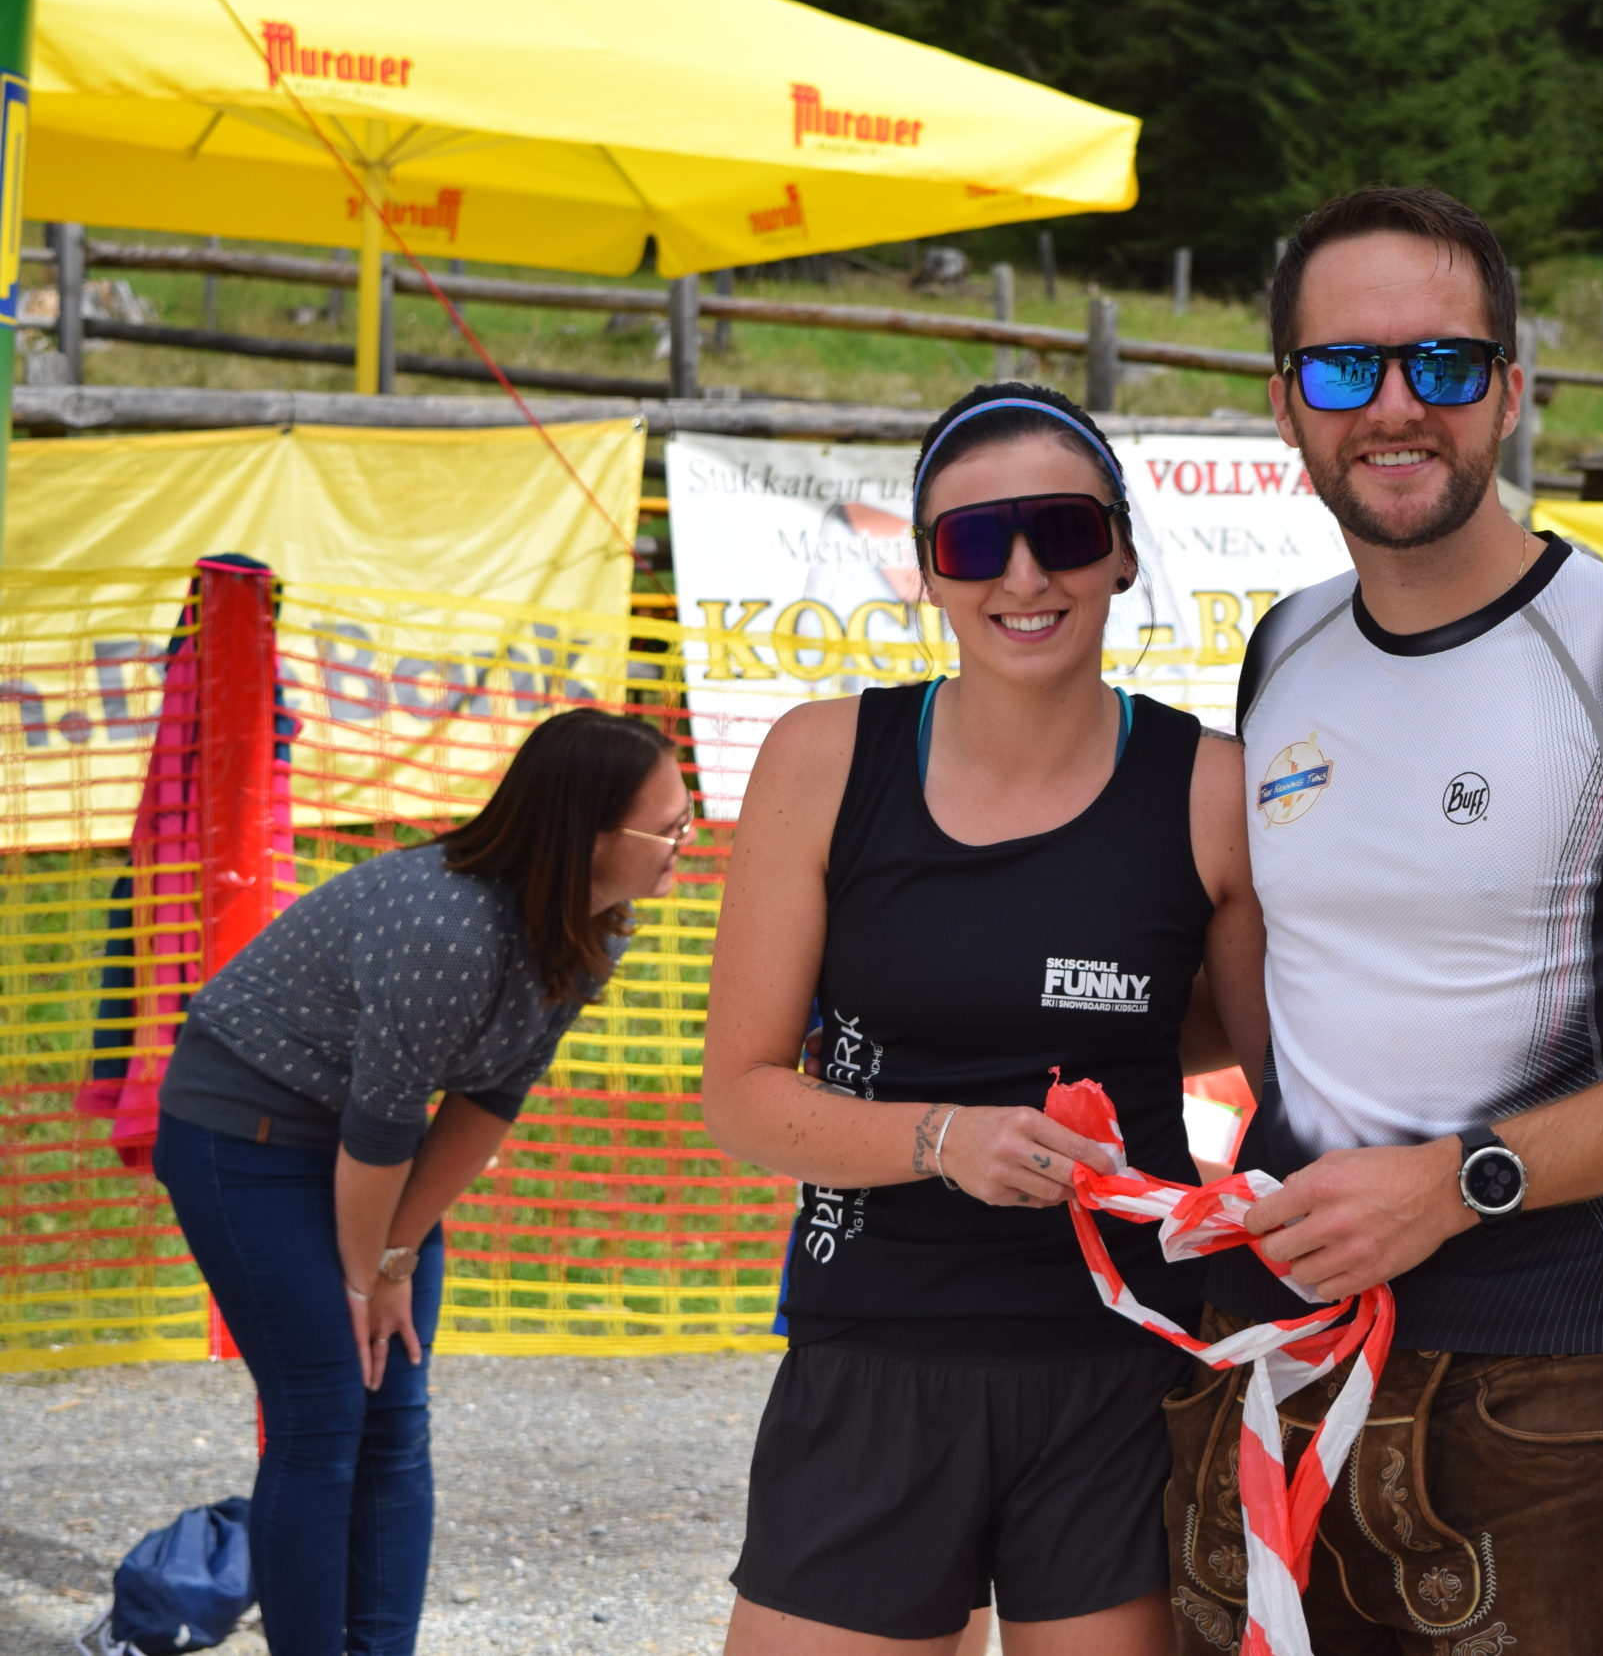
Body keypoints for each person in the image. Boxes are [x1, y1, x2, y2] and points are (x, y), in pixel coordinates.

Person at [1163, 185, 1603, 1654]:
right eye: (1345, 367)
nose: (1395, 405)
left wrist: (1459, 1181)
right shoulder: (1286, 645)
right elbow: (1299, 980)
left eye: (1444, 363)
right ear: (1285, 404)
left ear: (1511, 392)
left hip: (1541, 1364)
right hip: (1281, 1335)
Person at [698, 382, 1264, 1656]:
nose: (1023, 574)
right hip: (877, 1351)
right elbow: (740, 1094)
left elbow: (1266, 1055)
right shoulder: (823, 759)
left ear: (1121, 553)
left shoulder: (1212, 789)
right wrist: (942, 1138)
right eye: (973, 541)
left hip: (1124, 1366)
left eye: (1063, 530)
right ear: (927, 571)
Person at [151, 706, 688, 1656]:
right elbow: (382, 1127)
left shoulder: (600, 923)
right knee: (324, 1409)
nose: (688, 840)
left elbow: (492, 1097)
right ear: (591, 835)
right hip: (244, 1135)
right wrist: (369, 1277)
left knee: (395, 1411)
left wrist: (395, 1256)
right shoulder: (450, 929)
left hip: (362, 1145)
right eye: (670, 825)